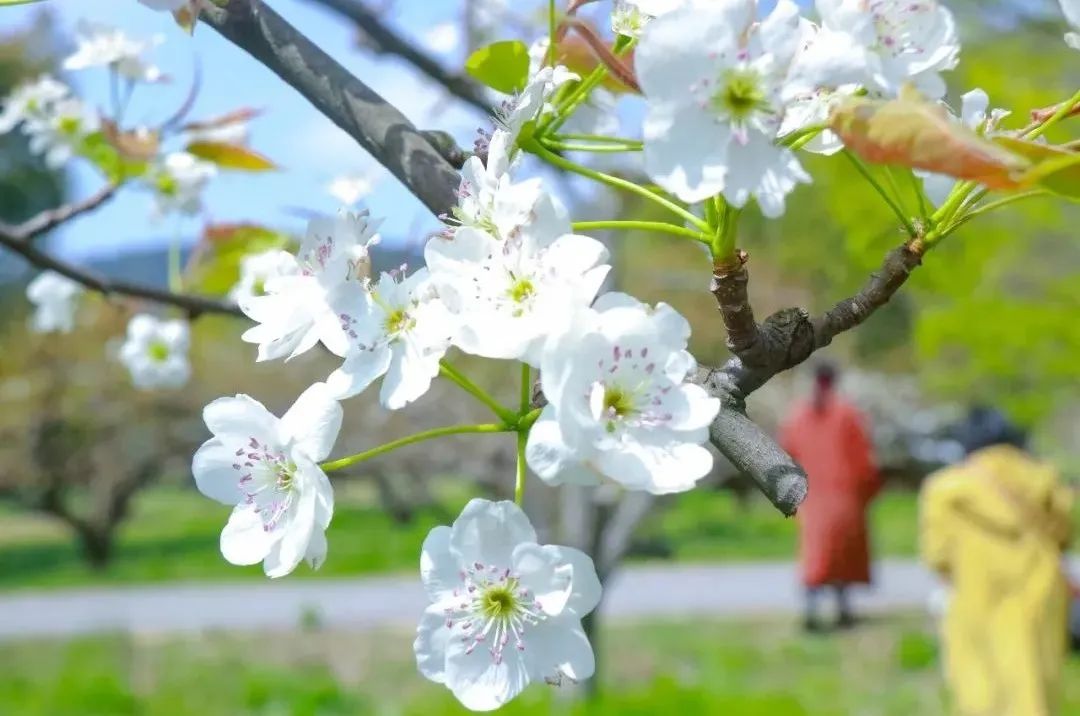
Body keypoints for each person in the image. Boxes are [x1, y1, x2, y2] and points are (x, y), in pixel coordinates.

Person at [920, 407, 1073, 716]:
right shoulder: (1044, 479)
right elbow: (1064, 534)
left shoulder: (945, 490)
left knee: (982, 687)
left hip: (978, 595)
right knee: (1036, 686)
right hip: (1041, 592)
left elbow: (937, 555)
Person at [780, 363, 879, 631]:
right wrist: (868, 492)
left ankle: (815, 613)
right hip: (843, 495)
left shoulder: (799, 415)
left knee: (817, 555)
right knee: (838, 555)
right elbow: (865, 461)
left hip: (812, 496)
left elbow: (787, 455)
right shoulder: (848, 414)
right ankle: (838, 611)